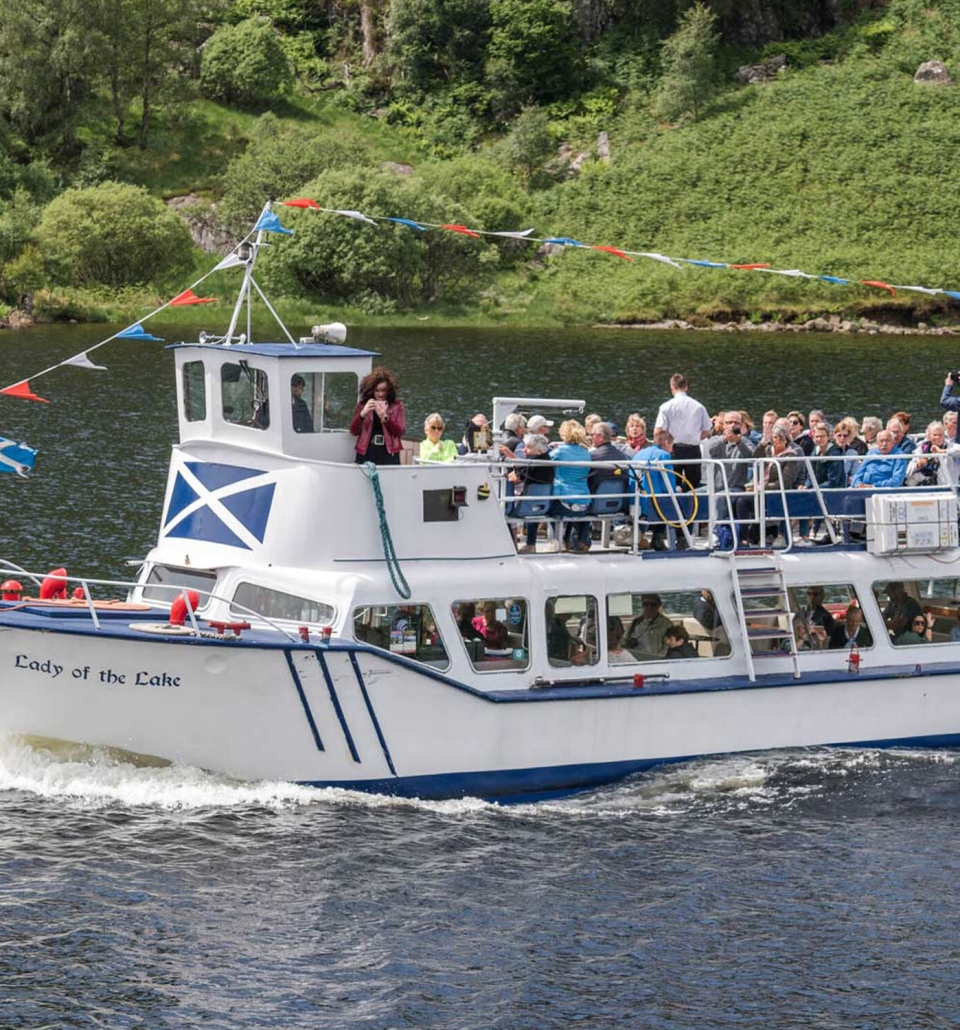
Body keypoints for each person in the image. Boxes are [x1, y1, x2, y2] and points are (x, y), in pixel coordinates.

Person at [654, 374, 712, 489]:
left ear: (672, 388)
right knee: (693, 486)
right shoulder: (698, 406)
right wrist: (695, 437)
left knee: (673, 484)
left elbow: (658, 431)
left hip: (672, 449)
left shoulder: (666, 407)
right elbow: (707, 430)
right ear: (686, 387)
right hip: (693, 450)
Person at [508, 433, 556, 553]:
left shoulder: (532, 463)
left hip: (526, 506)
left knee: (505, 508)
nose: (524, 450)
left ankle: (512, 545)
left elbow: (515, 478)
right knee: (533, 508)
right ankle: (531, 543)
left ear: (538, 451)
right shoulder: (548, 461)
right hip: (543, 505)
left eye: (528, 447)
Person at [550, 419, 593, 552]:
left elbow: (544, 461)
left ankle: (557, 540)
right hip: (584, 504)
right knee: (570, 512)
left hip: (564, 502)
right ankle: (568, 539)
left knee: (546, 509)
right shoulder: (586, 453)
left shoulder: (559, 452)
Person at [349, 367, 405, 465]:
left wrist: (385, 417)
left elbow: (400, 432)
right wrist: (362, 414)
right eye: (377, 390)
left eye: (383, 390)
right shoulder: (363, 405)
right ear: (371, 390)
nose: (380, 394)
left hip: (389, 453)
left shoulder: (397, 406)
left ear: (389, 390)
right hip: (367, 450)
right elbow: (353, 431)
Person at [632, 431, 676, 550]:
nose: (672, 450)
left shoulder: (639, 454)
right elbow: (668, 486)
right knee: (682, 503)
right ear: (667, 443)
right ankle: (661, 538)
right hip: (653, 502)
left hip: (635, 498)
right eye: (672, 446)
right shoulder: (664, 456)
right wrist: (677, 492)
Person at [626, 594, 672, 658]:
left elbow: (668, 645)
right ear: (642, 605)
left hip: (655, 659)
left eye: (653, 605)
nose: (649, 607)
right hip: (636, 658)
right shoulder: (635, 623)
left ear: (658, 606)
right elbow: (624, 640)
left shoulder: (666, 623)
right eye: (646, 604)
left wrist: (658, 658)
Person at [904, 420, 947, 486]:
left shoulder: (950, 447)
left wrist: (943, 451)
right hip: (923, 485)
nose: (937, 437)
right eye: (935, 435)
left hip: (947, 486)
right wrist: (918, 465)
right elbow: (908, 471)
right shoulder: (921, 448)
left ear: (944, 436)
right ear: (929, 436)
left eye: (940, 435)